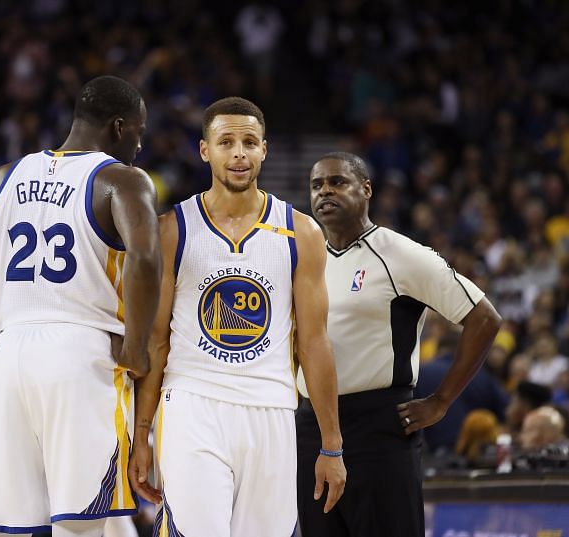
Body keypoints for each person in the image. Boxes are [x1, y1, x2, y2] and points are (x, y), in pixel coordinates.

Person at [0, 75, 162, 537]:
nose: (140, 146)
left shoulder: (0, 180)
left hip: (11, 356)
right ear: (119, 126)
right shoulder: (121, 179)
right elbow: (146, 257)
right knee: (87, 524)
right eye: (140, 133)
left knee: (12, 528)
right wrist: (137, 348)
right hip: (81, 354)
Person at [128, 97, 346, 537]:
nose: (239, 154)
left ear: (265, 149)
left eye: (249, 142)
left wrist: (332, 444)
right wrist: (142, 434)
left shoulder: (301, 232)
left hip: (273, 409)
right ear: (205, 150)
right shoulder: (172, 229)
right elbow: (156, 341)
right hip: (192, 405)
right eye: (226, 142)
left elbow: (315, 344)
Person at [296, 152, 502, 537]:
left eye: (337, 182)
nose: (325, 191)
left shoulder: (402, 254)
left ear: (366, 190)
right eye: (317, 185)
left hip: (378, 427)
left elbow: (484, 318)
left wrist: (440, 401)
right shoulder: (304, 259)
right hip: (311, 425)